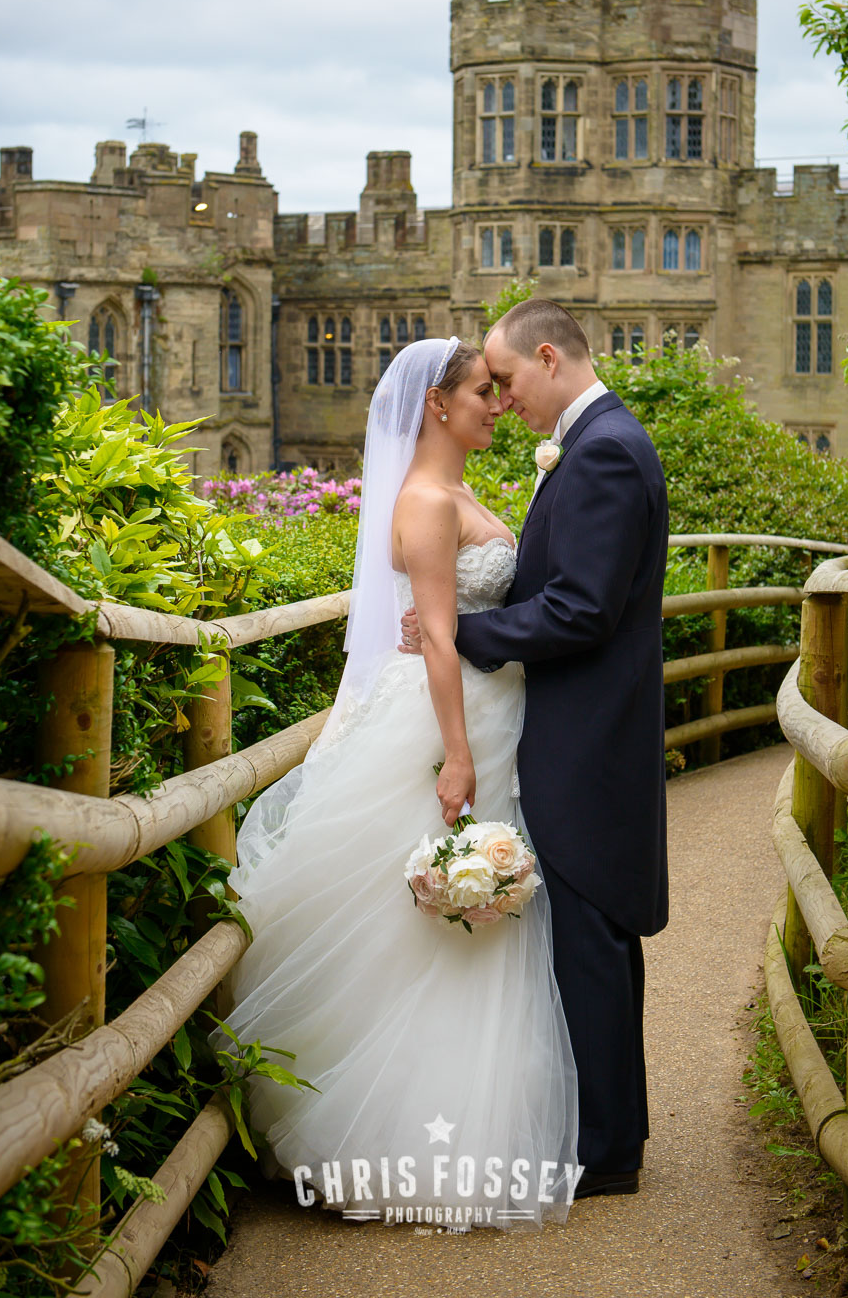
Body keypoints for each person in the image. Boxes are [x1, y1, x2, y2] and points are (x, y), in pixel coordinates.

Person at [214, 336, 579, 1230]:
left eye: (498, 392)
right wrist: (457, 754)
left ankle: (467, 1119)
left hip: (494, 713)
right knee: (434, 915)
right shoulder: (423, 500)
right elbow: (444, 640)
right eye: (482, 393)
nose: (497, 405)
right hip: (448, 722)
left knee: (471, 920)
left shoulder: (461, 491)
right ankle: (407, 1134)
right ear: (435, 405)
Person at [402, 299, 669, 1197]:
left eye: (508, 380)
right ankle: (610, 1136)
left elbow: (583, 608)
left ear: (548, 356)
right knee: (593, 937)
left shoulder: (601, 453)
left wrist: (462, 635)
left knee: (591, 938)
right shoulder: (602, 443)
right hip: (587, 726)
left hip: (588, 735)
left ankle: (604, 1154)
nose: (505, 401)